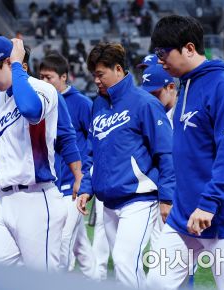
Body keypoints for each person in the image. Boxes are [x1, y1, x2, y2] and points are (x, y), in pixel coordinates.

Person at [147, 15, 224, 289]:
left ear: (189, 48)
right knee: (156, 283)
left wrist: (210, 202)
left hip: (223, 216)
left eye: (163, 52)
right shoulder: (186, 83)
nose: (160, 60)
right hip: (184, 214)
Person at [76, 42, 175, 289]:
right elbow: (92, 151)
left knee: (123, 261)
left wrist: (167, 198)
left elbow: (166, 153)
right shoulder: (98, 104)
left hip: (139, 199)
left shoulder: (145, 103)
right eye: (93, 75)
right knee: (128, 268)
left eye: (100, 74)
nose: (96, 80)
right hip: (108, 201)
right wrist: (87, 187)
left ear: (118, 69)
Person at [0, 36, 67, 271]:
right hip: (5, 202)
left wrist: (16, 64)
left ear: (8, 62)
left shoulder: (42, 88)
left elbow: (31, 110)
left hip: (36, 198)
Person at [39, 52, 96, 277]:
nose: (44, 82)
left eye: (49, 77)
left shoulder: (82, 103)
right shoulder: (41, 103)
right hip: (52, 184)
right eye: (41, 76)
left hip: (72, 185)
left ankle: (59, 281)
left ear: (64, 77)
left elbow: (94, 139)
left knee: (61, 240)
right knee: (80, 243)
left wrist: (84, 178)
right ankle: (95, 278)